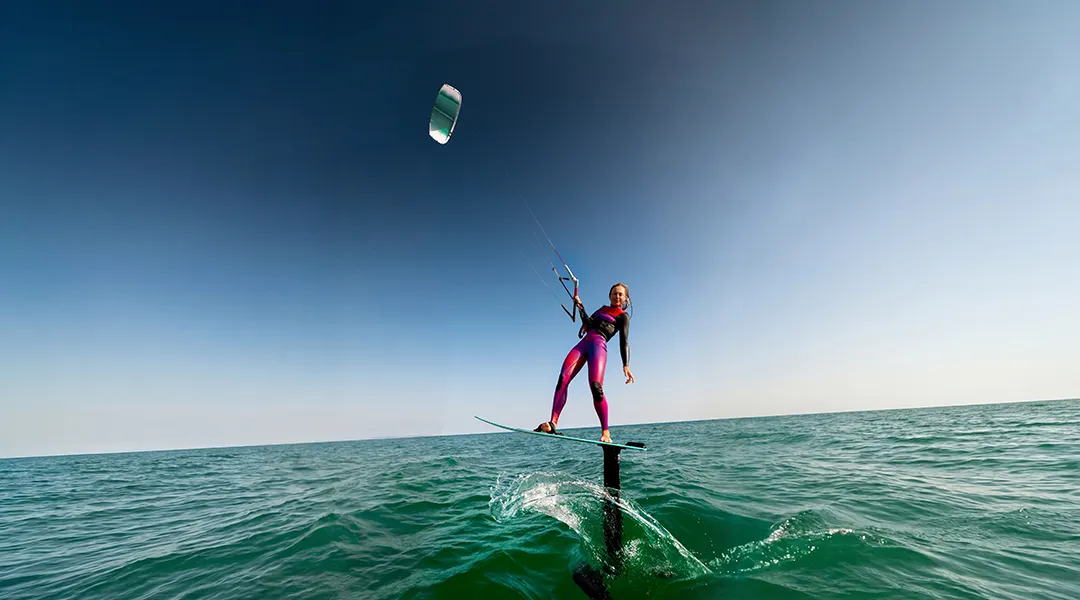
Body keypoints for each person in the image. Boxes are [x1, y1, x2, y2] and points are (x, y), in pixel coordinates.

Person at [535, 283, 634, 443]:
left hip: (599, 346)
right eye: (615, 293)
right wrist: (580, 305)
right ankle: (553, 423)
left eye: (621, 294)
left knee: (596, 387)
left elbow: (624, 341)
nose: (617, 296)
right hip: (583, 344)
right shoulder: (601, 310)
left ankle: (606, 432)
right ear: (609, 295)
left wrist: (626, 365)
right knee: (562, 378)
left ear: (625, 299)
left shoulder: (623, 317)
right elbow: (587, 323)